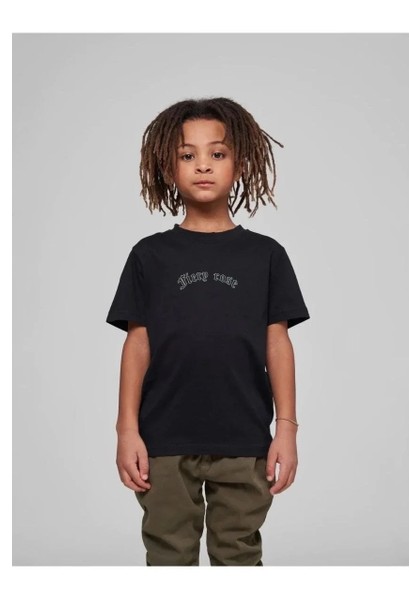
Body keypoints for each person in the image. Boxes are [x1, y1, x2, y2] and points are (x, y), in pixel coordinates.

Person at [105, 97, 311, 566]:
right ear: (168, 166)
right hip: (163, 441)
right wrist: (126, 430)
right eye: (187, 154)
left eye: (217, 153)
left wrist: (287, 429)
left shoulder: (266, 255)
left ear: (240, 163)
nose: (203, 165)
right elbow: (137, 344)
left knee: (238, 557)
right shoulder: (149, 256)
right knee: (169, 557)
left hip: (244, 439)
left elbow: (278, 343)